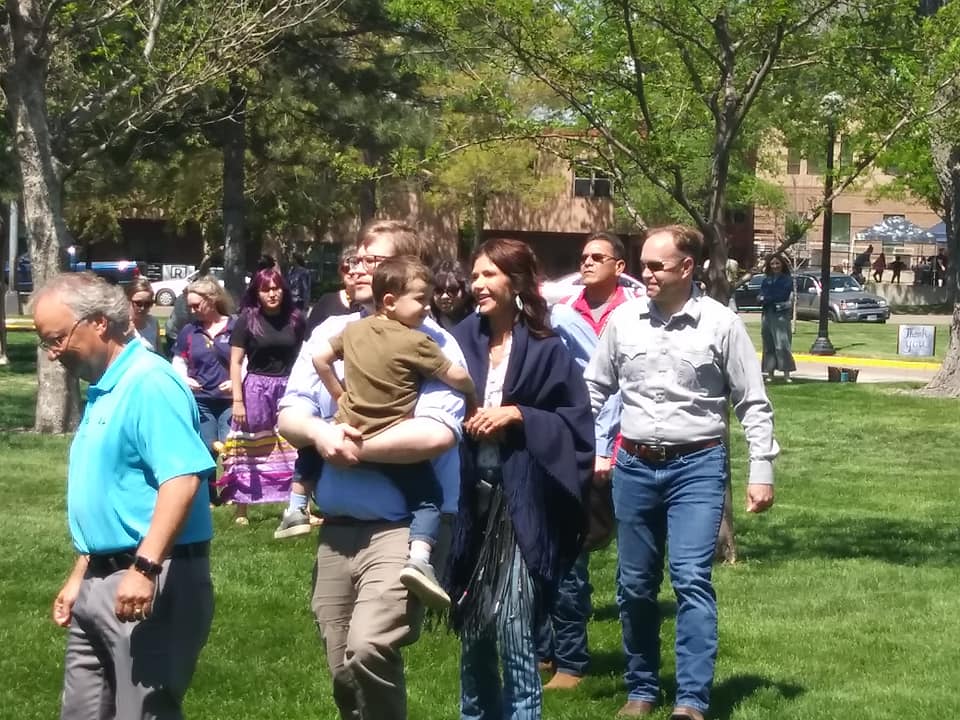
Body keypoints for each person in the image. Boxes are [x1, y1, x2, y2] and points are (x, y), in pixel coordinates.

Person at [584, 225, 779, 720]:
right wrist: (585, 449)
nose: (643, 273)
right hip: (634, 465)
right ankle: (642, 690)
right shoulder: (624, 321)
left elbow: (753, 402)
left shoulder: (721, 324)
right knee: (633, 585)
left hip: (697, 466)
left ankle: (691, 700)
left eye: (655, 266)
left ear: (687, 268)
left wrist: (762, 471)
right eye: (642, 264)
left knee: (691, 578)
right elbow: (593, 389)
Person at [276, 219, 467, 720]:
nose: (359, 267)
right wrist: (321, 434)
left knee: (369, 648)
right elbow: (290, 413)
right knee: (341, 664)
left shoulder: (434, 344)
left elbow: (434, 435)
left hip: (402, 527)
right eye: (358, 258)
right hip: (337, 530)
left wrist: (350, 446)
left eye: (373, 260)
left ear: (403, 274)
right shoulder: (333, 332)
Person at [33, 272, 215, 720]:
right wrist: (82, 573)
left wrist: (145, 567)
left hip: (149, 577)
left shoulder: (149, 381)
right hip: (101, 579)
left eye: (57, 339)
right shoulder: (106, 388)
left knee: (143, 713)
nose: (53, 354)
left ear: (97, 323)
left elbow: (183, 478)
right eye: (46, 343)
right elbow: (113, 491)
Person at [448, 238, 595, 720]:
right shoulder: (456, 341)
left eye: (489, 274)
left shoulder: (548, 349)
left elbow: (574, 423)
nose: (478, 284)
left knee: (513, 625)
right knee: (472, 627)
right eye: (475, 275)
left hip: (521, 503)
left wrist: (518, 414)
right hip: (469, 499)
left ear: (516, 283)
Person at [310, 256, 477, 607]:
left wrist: (338, 393)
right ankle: (418, 560)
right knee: (427, 498)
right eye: (420, 299)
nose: (427, 307)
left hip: (347, 431)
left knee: (310, 449)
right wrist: (473, 395)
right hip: (390, 443)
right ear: (390, 300)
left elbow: (320, 359)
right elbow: (456, 376)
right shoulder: (415, 341)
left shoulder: (353, 331)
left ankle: (296, 504)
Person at [538, 230, 636, 691]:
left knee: (628, 561)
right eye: (583, 257)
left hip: (628, 444)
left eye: (598, 256)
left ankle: (610, 663)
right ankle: (557, 654)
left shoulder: (637, 314)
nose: (588, 262)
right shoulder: (560, 316)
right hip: (571, 442)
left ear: (620, 266)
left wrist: (608, 449)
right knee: (562, 551)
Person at [221, 267, 305, 516]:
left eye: (276, 288)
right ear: (257, 293)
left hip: (289, 386)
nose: (272, 294)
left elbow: (304, 355)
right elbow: (235, 363)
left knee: (294, 444)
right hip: (256, 387)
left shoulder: (296, 319)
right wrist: (238, 400)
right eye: (265, 289)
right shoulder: (248, 320)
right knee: (250, 445)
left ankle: (297, 504)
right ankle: (241, 508)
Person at [172, 277, 236, 512]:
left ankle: (232, 494)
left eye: (197, 305)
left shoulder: (235, 327)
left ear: (212, 300)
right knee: (206, 449)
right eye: (190, 306)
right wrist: (185, 379)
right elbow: (179, 361)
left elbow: (247, 360)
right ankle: (208, 496)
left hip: (231, 401)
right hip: (202, 402)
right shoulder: (190, 331)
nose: (193, 310)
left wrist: (235, 382)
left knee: (231, 448)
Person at [757, 253, 796, 384]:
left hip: (780, 315)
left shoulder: (787, 280)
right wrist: (763, 298)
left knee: (782, 344)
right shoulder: (766, 280)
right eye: (772, 264)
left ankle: (786, 374)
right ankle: (769, 373)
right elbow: (761, 296)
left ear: (782, 264)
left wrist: (766, 298)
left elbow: (781, 295)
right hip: (767, 314)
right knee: (768, 344)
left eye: (777, 263)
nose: (775, 266)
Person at [306, 246, 361, 334]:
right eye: (345, 269)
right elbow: (309, 334)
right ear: (340, 272)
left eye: (354, 268)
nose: (350, 273)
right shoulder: (327, 301)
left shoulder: (369, 303)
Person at [431, 258, 473, 330]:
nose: (444, 296)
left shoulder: (478, 321)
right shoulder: (426, 324)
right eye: (438, 291)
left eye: (452, 290)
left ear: (465, 290)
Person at [126, 277, 160, 352]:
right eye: (138, 303)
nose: (142, 308)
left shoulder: (153, 322)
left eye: (148, 304)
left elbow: (160, 352)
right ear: (128, 300)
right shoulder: (121, 326)